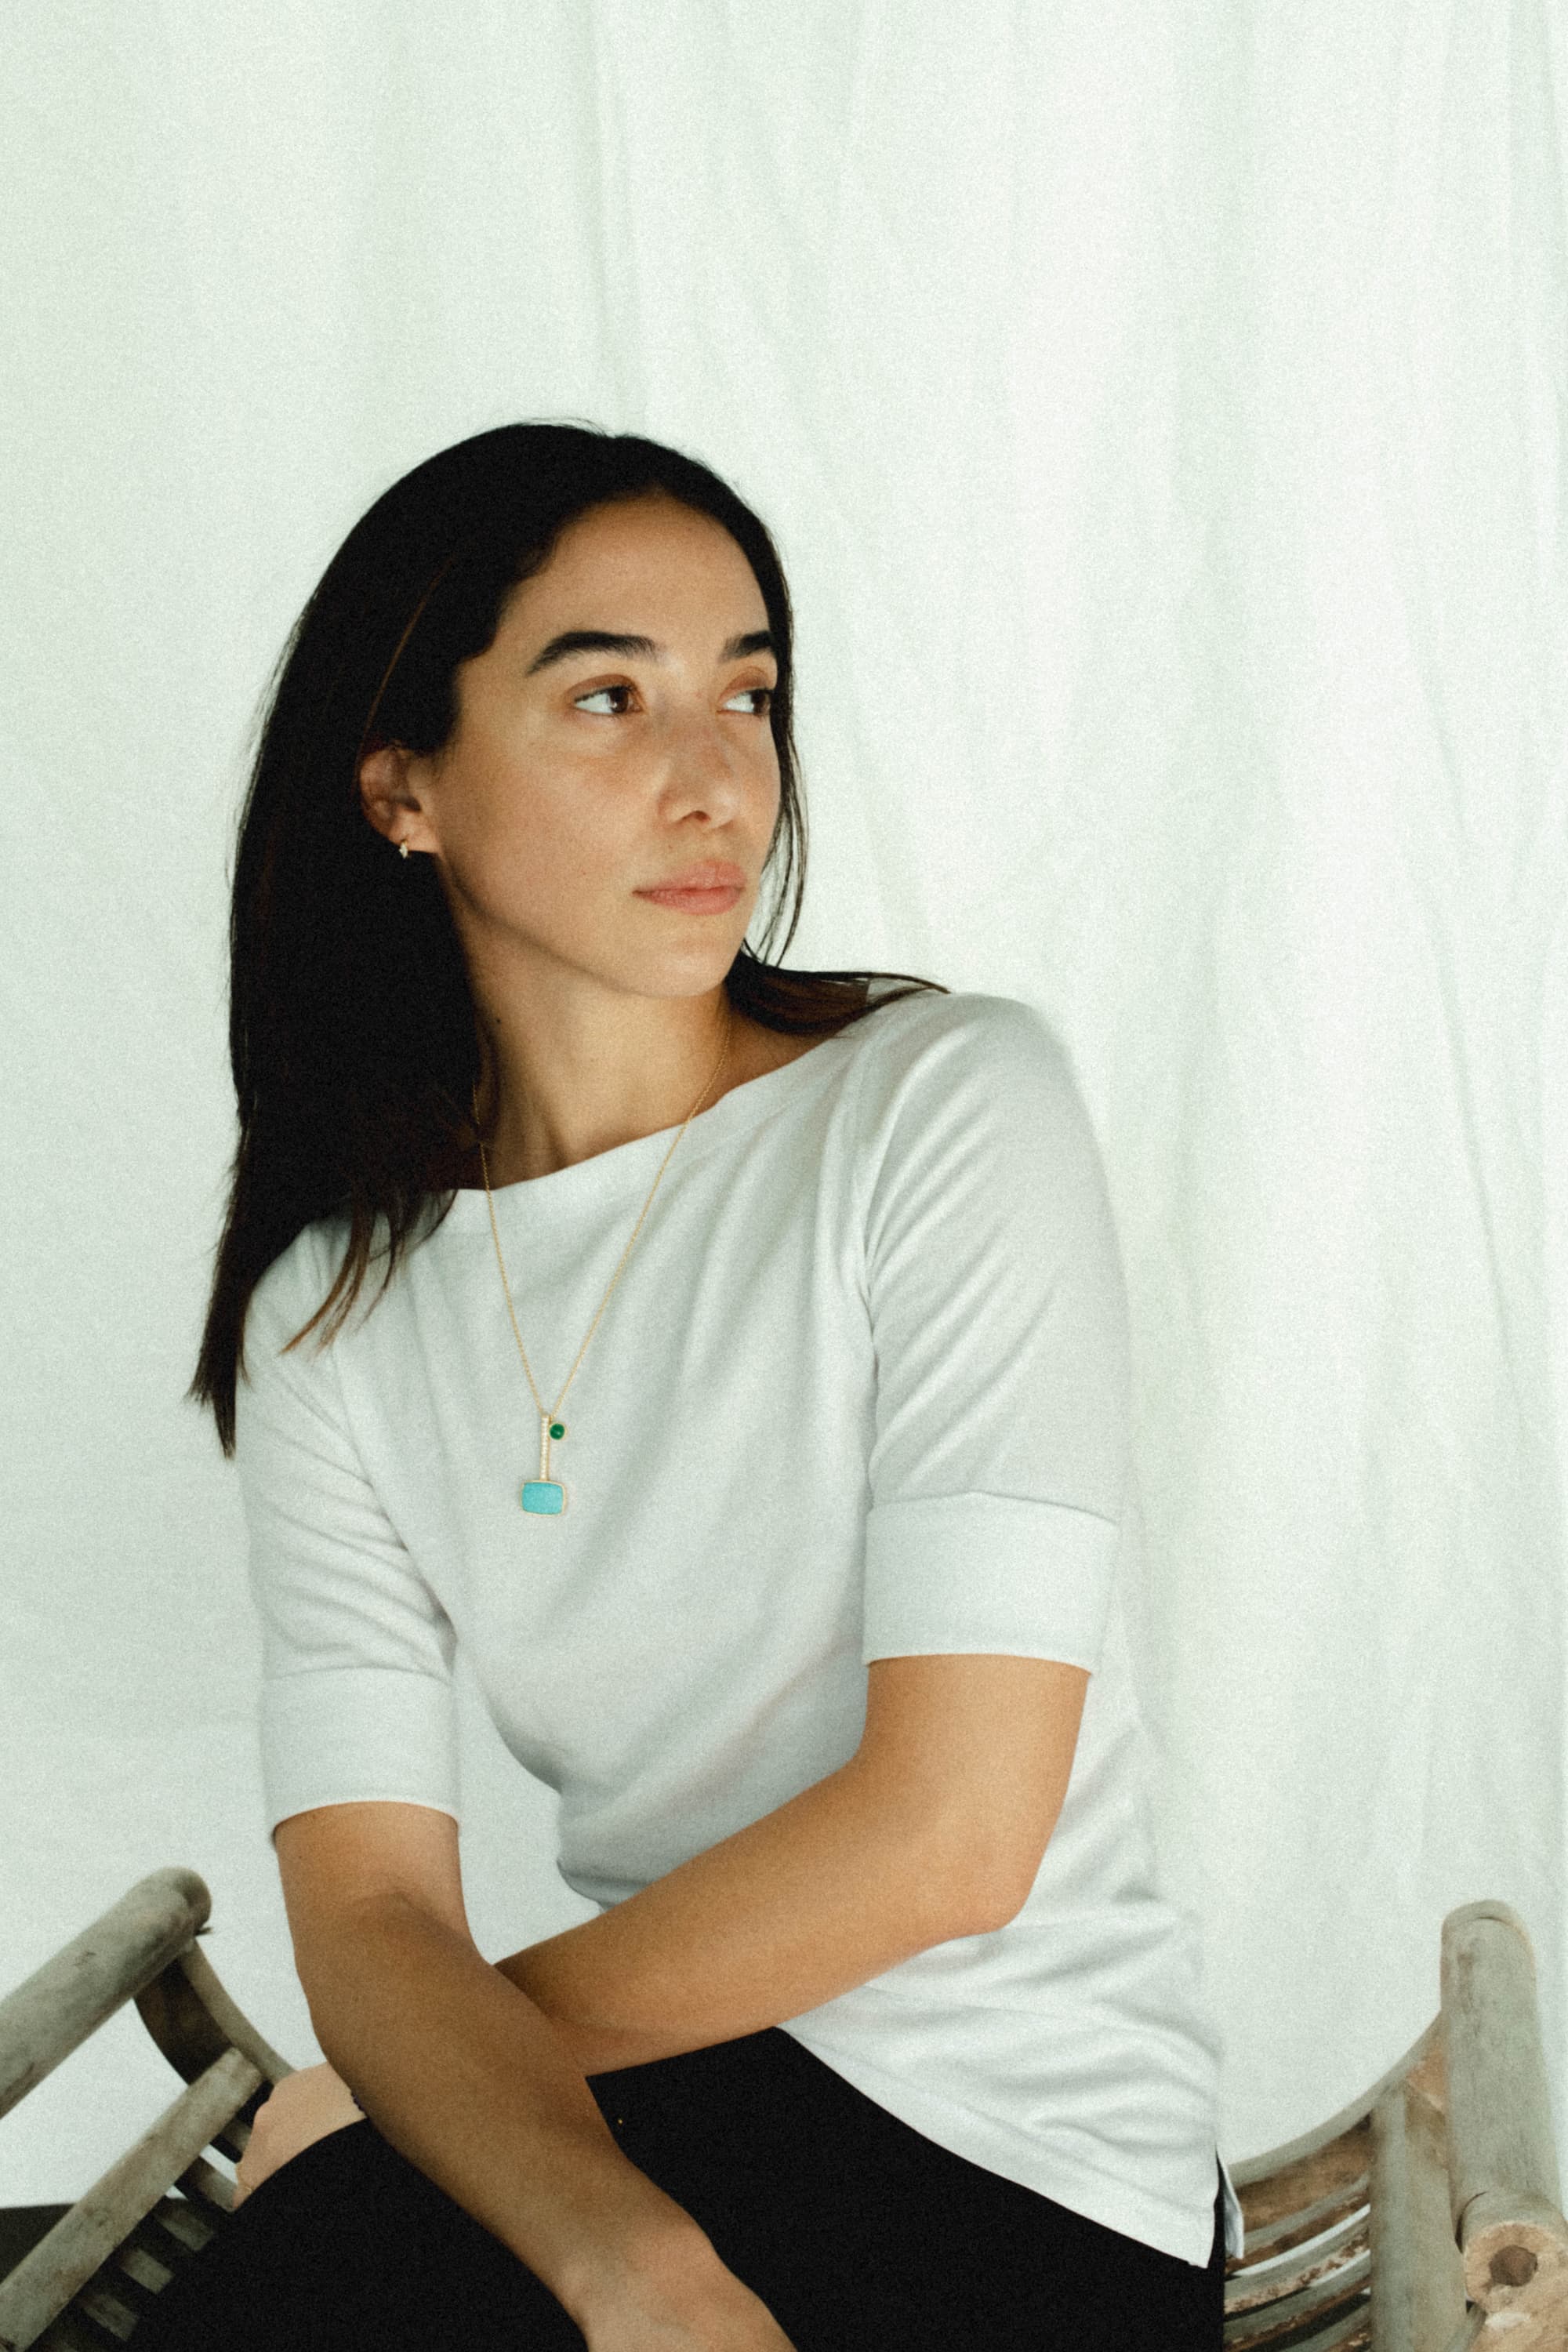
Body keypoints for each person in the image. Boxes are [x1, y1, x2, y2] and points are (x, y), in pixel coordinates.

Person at [147, 422, 1240, 2351]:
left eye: (748, 692)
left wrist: (443, 2073)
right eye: (607, 697)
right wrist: (619, 2252)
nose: (715, 775)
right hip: (648, 2111)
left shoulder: (942, 1109)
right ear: (402, 787)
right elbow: (372, 1909)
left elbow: (954, 1833)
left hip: (1022, 2141)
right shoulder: (333, 1311)